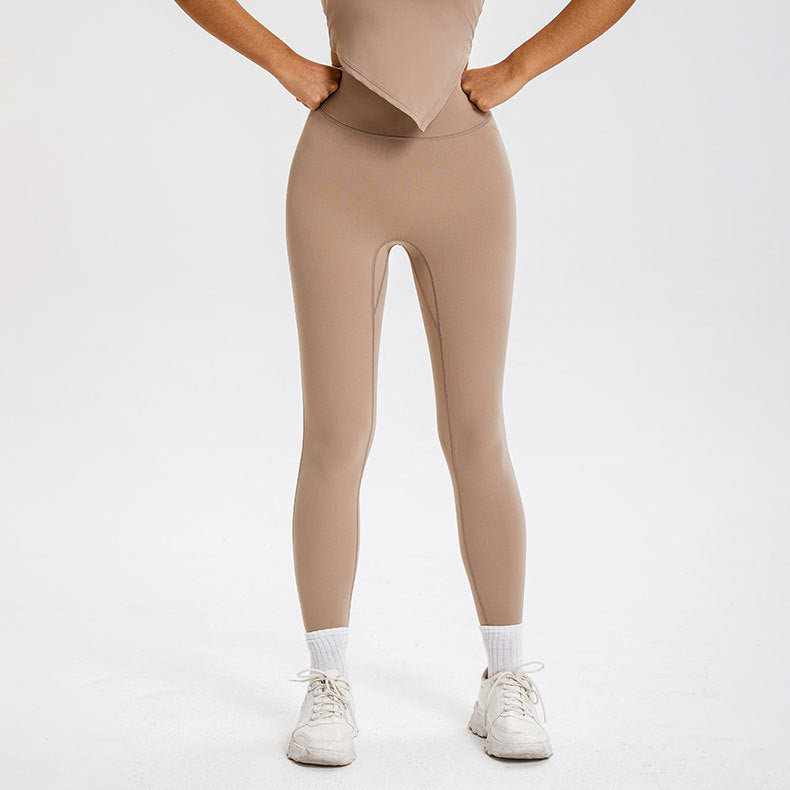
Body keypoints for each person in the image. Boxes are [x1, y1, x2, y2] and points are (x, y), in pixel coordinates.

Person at [172, 0, 636, 766]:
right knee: (335, 436)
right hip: (338, 174)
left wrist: (518, 69)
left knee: (477, 433)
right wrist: (285, 65)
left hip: (466, 175)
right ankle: (327, 681)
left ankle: (506, 676)